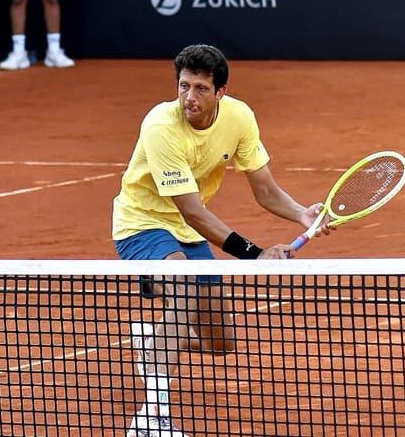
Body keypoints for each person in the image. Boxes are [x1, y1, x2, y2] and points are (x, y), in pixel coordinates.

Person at [112, 44, 329, 437]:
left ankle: (153, 340)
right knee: (184, 290)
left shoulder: (240, 117)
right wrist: (256, 254)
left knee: (220, 342)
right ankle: (151, 419)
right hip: (142, 224)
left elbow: (264, 189)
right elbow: (193, 210)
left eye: (199, 89)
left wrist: (301, 213)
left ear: (220, 93)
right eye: (183, 86)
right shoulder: (161, 125)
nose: (189, 98)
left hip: (189, 232)